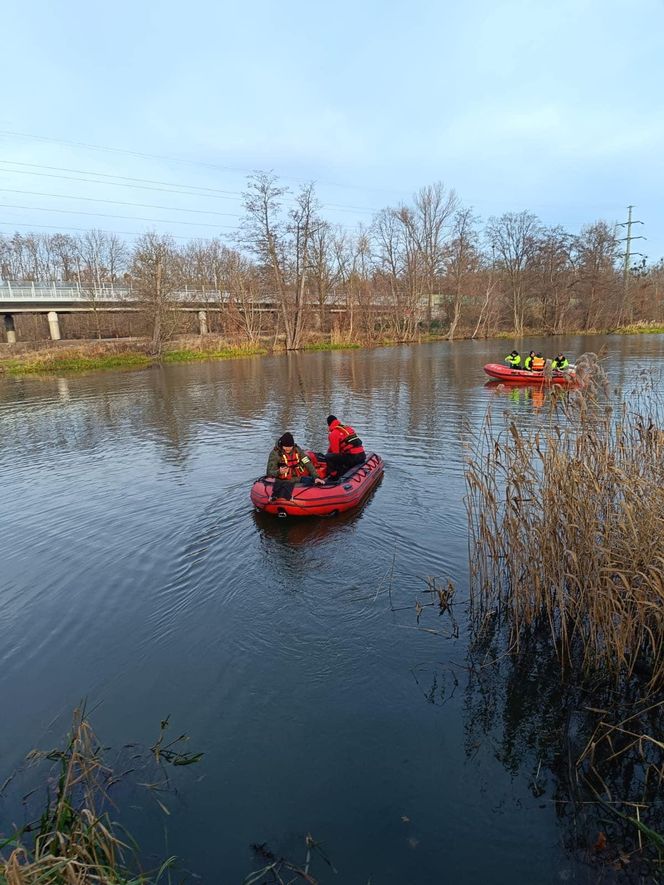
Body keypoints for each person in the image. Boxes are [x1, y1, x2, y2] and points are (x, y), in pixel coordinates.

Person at [266, 432, 324, 500]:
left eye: (290, 447)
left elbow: (307, 462)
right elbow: (269, 472)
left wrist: (316, 477)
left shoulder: (297, 450)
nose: (288, 449)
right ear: (281, 445)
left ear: (293, 445)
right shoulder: (275, 454)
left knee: (315, 481)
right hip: (283, 481)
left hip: (297, 478)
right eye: (285, 447)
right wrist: (279, 472)